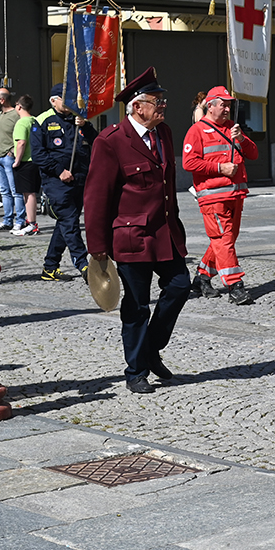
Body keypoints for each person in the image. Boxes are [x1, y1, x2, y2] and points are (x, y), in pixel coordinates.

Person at [84, 68, 190, 394]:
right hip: (131, 237)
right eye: (157, 101)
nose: (164, 105)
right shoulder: (111, 141)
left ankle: (150, 349)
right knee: (137, 306)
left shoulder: (165, 133)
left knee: (180, 286)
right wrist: (97, 245)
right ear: (137, 106)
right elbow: (97, 196)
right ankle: (136, 371)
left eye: (163, 99)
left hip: (164, 232)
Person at [182, 86, 258, 305]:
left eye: (229, 105)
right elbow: (189, 162)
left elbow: (253, 154)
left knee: (226, 239)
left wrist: (242, 138)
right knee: (223, 240)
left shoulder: (232, 128)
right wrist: (220, 168)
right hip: (212, 197)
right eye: (223, 104)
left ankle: (202, 278)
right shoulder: (197, 131)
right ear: (211, 105)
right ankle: (235, 285)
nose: (227, 108)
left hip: (235, 194)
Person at [33, 86, 97, 282]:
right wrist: (59, 171)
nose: (69, 102)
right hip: (56, 181)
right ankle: (83, 264)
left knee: (65, 223)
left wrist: (86, 125)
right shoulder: (43, 120)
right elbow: (38, 154)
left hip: (79, 177)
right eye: (64, 98)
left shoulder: (78, 119)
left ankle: (50, 267)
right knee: (70, 222)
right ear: (53, 101)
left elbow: (98, 142)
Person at [0, 88, 22, 234]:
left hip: (8, 157)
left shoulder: (16, 114)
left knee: (16, 191)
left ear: (2, 100)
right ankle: (7, 220)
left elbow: (22, 133)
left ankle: (20, 221)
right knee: (4, 191)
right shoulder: (0, 114)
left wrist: (13, 152)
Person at [10, 95, 40, 235]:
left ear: (19, 106)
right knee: (30, 193)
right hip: (34, 160)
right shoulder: (34, 120)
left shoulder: (21, 123)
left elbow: (21, 142)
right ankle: (31, 222)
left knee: (28, 194)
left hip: (25, 161)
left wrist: (17, 160)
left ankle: (31, 223)